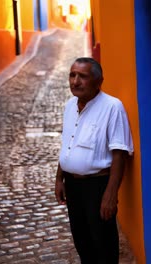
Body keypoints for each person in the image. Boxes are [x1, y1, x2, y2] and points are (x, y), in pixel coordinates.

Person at [54, 57, 133, 264]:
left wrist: (110, 194)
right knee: (82, 241)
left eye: (82, 76)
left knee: (103, 244)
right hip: (73, 186)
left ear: (99, 81)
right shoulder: (70, 106)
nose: (75, 81)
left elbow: (119, 153)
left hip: (97, 186)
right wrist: (59, 179)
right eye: (72, 75)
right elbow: (68, 143)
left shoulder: (112, 107)